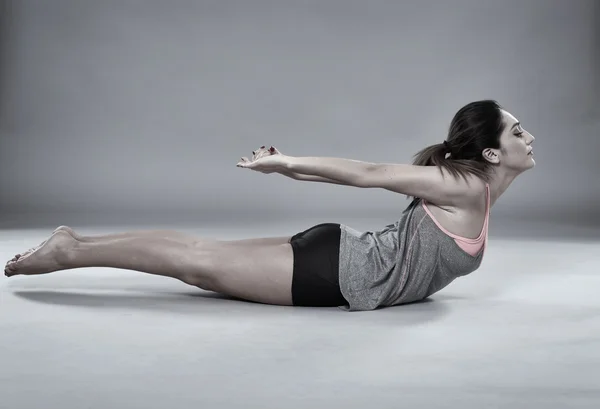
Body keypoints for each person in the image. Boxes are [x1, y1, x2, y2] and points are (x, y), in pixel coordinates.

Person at [4, 99, 535, 311]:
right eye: (516, 130)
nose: (527, 135)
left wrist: (291, 165)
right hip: (340, 272)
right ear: (491, 151)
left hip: (342, 259)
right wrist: (289, 164)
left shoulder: (479, 189)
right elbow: (370, 174)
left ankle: (74, 243)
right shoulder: (462, 185)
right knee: (196, 264)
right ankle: (68, 253)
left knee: (198, 255)